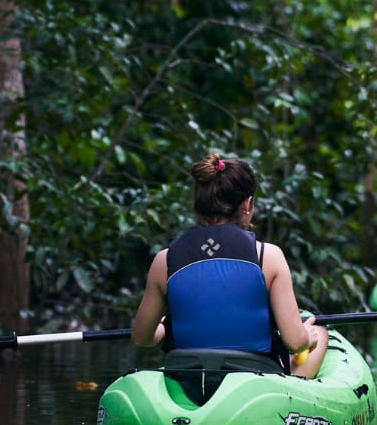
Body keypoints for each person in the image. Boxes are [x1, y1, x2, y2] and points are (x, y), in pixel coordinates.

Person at [130, 153, 328, 379]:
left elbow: (141, 338)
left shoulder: (164, 260)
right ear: (247, 204)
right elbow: (294, 341)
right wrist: (308, 337)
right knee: (320, 333)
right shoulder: (268, 256)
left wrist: (163, 328)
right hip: (254, 381)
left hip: (190, 378)